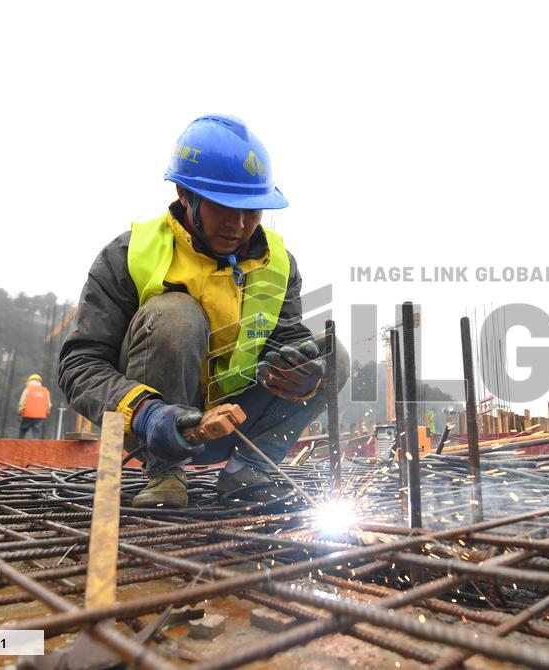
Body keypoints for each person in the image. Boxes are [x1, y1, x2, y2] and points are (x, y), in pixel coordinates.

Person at [58, 114, 349, 509]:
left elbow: (286, 337)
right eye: (224, 207)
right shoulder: (130, 255)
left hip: (239, 426)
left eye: (252, 210)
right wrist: (148, 414)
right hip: (157, 429)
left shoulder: (277, 263)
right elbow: (80, 365)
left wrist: (300, 373)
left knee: (333, 355)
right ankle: (165, 473)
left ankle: (250, 470)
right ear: (184, 194)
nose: (239, 224)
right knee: (174, 315)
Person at [18, 373, 52, 438]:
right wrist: (46, 414)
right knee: (36, 433)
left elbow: (22, 402)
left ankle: (19, 446)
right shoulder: (45, 391)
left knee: (23, 430)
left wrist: (20, 412)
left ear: (29, 381)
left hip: (27, 415)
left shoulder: (27, 390)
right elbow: (49, 405)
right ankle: (36, 447)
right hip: (39, 416)